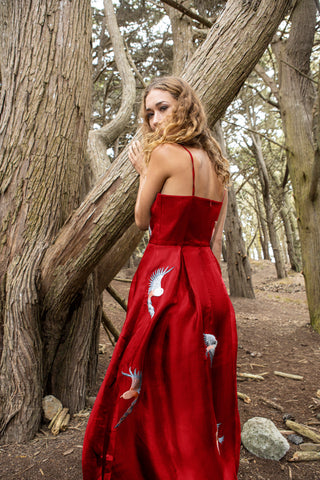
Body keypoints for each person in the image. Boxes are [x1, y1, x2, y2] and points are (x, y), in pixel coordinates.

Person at [82, 76, 240, 480]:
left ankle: (160, 464)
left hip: (167, 279)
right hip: (208, 283)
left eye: (162, 108)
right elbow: (214, 240)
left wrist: (142, 172)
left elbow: (141, 219)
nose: (154, 120)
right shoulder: (218, 166)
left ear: (185, 106)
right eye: (149, 113)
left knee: (154, 376)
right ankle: (201, 463)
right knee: (198, 387)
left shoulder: (163, 155)